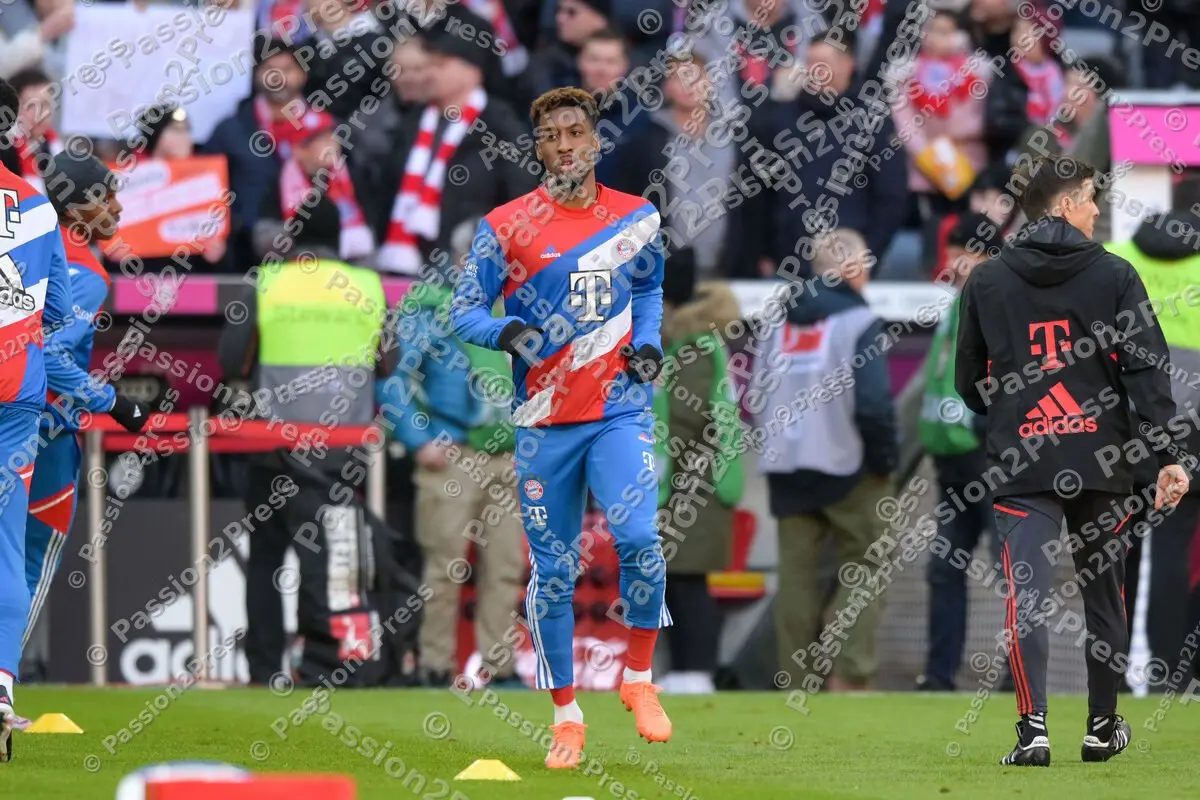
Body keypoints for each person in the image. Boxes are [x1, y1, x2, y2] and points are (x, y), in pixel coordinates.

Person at [450, 86, 671, 769]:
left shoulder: (637, 218)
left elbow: (649, 289)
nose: (566, 145)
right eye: (552, 136)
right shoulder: (506, 225)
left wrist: (650, 344)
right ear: (539, 148)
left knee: (638, 537)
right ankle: (567, 717)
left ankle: (637, 677)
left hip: (618, 409)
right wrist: (505, 329)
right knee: (552, 574)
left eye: (576, 132)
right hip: (544, 422)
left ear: (596, 142)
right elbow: (463, 312)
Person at [954, 155, 1191, 766]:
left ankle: (1031, 733)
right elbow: (1146, 374)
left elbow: (967, 381)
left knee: (1024, 596)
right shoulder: (1116, 275)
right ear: (1065, 204)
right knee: (1103, 598)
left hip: (1021, 462)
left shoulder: (986, 280)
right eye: (1089, 198)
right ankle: (1100, 730)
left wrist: (1014, 413)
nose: (1094, 209)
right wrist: (1169, 455)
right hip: (1102, 461)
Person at [217, 192, 391, 685]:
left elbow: (231, 361)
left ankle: (264, 669)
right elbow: (389, 362)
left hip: (273, 446)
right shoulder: (369, 286)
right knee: (335, 561)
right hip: (342, 450)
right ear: (340, 238)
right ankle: (332, 663)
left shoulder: (266, 282)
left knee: (266, 561)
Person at [15, 153, 150, 710]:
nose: (117, 207)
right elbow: (47, 356)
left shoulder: (24, 240)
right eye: (107, 196)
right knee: (29, 562)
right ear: (77, 210)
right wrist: (113, 401)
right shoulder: (85, 271)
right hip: (40, 435)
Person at [377, 218, 525, 690]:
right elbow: (394, 382)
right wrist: (420, 440)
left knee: (505, 570)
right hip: (454, 454)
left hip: (510, 457)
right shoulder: (431, 309)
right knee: (444, 568)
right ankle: (434, 665)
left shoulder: (519, 310)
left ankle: (499, 667)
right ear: (464, 260)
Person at [757, 229, 897, 693]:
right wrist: (885, 460)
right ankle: (851, 675)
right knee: (867, 564)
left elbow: (755, 395)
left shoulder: (775, 322)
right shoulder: (858, 320)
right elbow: (874, 404)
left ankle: (794, 683)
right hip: (848, 463)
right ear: (853, 269)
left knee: (796, 578)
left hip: (787, 467)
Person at [0, 76, 75, 761]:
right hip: (16, 391)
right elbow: (54, 316)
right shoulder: (37, 205)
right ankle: (1, 686)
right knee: (5, 541)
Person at [916, 213, 1004, 692]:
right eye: (951, 252)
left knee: (1010, 569)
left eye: (961, 252)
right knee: (944, 567)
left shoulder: (1000, 299)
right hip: (953, 459)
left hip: (990, 457)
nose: (952, 262)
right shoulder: (959, 302)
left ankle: (1019, 678)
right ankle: (937, 676)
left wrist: (984, 424)